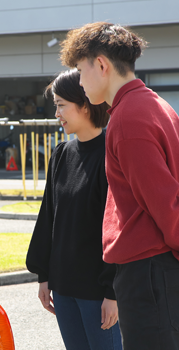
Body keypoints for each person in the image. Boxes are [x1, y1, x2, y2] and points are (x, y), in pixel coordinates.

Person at [59, 22, 179, 350]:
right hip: (157, 270)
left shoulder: (128, 118)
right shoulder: (155, 104)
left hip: (149, 272)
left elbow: (165, 204)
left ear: (101, 65)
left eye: (81, 72)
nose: (81, 83)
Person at [26, 69, 122, 350]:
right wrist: (44, 276)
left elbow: (118, 227)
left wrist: (112, 292)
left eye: (61, 105)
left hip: (98, 292)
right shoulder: (61, 154)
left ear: (84, 104)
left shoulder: (111, 153)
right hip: (64, 289)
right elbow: (48, 218)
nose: (57, 113)